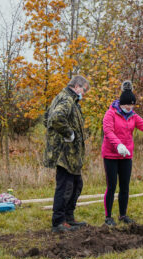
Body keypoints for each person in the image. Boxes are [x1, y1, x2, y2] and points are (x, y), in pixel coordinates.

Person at [101, 80, 143, 226]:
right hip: (111, 155)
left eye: (132, 105)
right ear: (121, 104)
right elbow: (108, 131)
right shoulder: (110, 114)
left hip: (126, 156)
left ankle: (123, 215)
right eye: (127, 105)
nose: (130, 107)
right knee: (112, 186)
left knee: (125, 186)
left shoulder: (132, 115)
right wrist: (118, 145)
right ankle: (108, 217)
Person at [43, 75, 90, 233]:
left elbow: (46, 118)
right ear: (77, 86)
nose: (84, 93)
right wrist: (68, 133)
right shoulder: (66, 99)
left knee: (77, 184)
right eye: (84, 90)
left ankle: (69, 217)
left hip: (72, 154)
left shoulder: (69, 99)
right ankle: (58, 221)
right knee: (65, 187)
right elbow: (55, 118)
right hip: (64, 153)